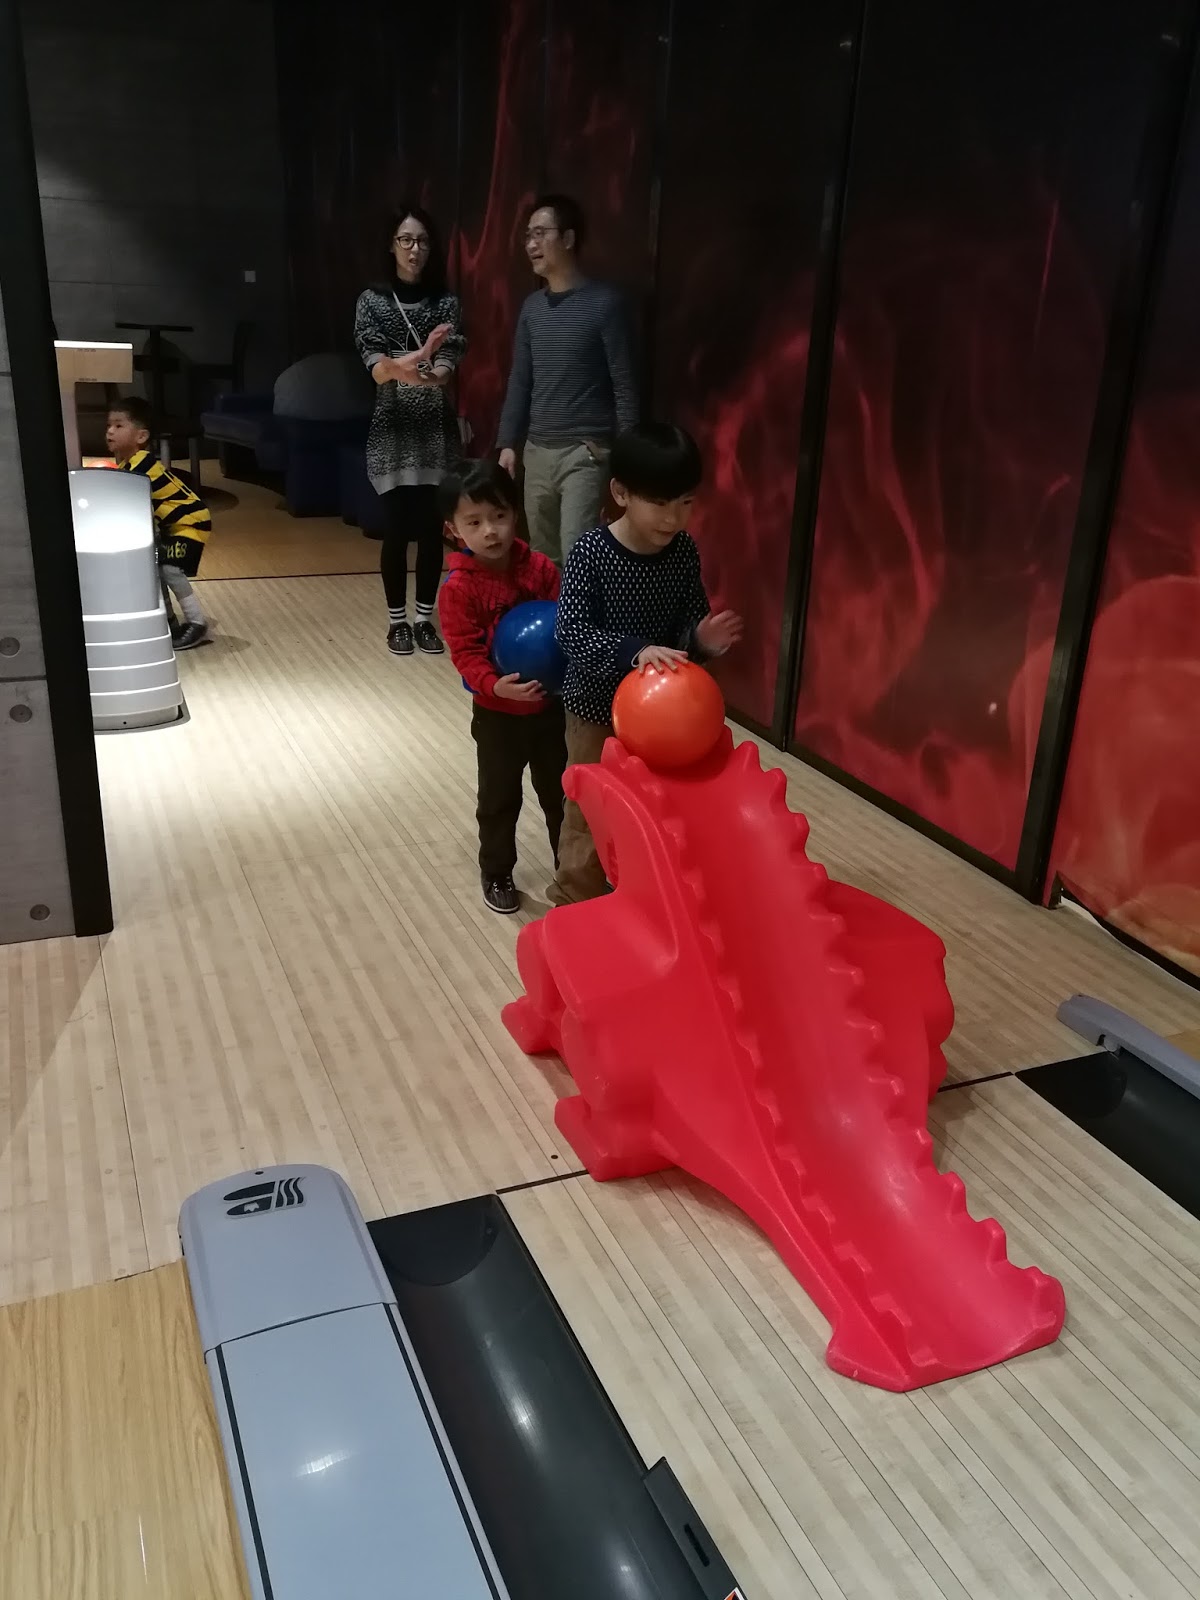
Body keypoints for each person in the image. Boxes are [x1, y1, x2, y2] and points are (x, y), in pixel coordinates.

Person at [551, 422, 743, 905]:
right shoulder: (591, 553)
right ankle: (575, 901)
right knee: (591, 805)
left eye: (685, 502)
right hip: (596, 709)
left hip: (662, 717)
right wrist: (635, 652)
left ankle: (642, 897)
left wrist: (701, 640)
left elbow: (686, 628)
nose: (673, 518)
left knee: (656, 803)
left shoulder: (682, 551)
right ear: (621, 493)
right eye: (659, 503)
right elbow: (570, 632)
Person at [437, 460, 566, 914]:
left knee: (562, 795)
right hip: (498, 716)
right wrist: (496, 687)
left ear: (515, 513)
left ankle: (572, 872)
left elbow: (565, 627)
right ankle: (496, 871)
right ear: (453, 530)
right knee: (498, 798)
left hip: (550, 709)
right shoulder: (458, 589)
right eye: (474, 522)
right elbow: (465, 654)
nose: (490, 531)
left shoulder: (541, 569)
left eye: (498, 516)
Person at [496, 194, 638, 568]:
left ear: (569, 238)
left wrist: (627, 456)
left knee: (577, 551)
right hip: (536, 450)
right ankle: (550, 611)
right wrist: (507, 442)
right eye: (528, 235)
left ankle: (580, 611)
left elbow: (624, 383)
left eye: (540, 233)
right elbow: (520, 379)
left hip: (585, 451)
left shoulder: (605, 303)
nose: (531, 244)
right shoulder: (532, 307)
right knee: (542, 557)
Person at [354, 204, 466, 656]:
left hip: (436, 431)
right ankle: (396, 621)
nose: (414, 249)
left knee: (432, 529)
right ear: (391, 245)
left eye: (421, 241)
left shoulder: (446, 302)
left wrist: (426, 369)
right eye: (405, 240)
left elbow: (445, 369)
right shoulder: (372, 301)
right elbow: (379, 370)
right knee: (397, 529)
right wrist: (418, 357)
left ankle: (424, 619)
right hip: (392, 430)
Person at [105, 397, 212, 649]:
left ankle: (197, 622)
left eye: (119, 426)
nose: (110, 431)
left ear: (141, 436)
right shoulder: (128, 464)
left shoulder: (141, 466)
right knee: (155, 567)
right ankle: (169, 622)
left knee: (169, 569)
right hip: (173, 526)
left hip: (190, 522)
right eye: (108, 425)